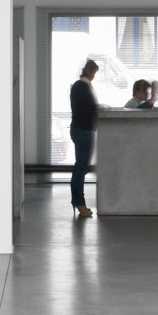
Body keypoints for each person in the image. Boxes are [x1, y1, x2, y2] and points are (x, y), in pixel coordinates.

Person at [68, 58, 100, 218]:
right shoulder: (83, 87)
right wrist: (100, 108)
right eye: (94, 73)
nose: (94, 76)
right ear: (91, 71)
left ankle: (78, 202)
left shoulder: (78, 86)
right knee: (81, 168)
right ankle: (79, 202)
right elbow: (89, 109)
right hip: (83, 131)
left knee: (79, 167)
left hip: (78, 129)